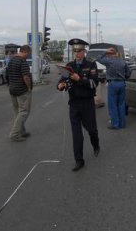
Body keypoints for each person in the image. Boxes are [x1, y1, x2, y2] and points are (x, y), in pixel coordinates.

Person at [57, 38, 100, 172]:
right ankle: (79, 160)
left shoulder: (91, 65)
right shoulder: (69, 65)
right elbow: (62, 80)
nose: (77, 53)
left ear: (84, 51)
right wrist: (60, 85)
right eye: (74, 50)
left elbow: (94, 83)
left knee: (91, 129)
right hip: (74, 103)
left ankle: (95, 143)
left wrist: (79, 79)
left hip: (87, 103)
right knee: (76, 134)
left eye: (79, 50)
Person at [97, 47, 130, 129]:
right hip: (122, 83)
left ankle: (115, 124)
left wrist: (105, 51)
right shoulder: (123, 61)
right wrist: (123, 78)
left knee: (113, 105)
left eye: (108, 54)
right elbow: (129, 73)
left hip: (113, 84)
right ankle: (122, 124)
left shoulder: (109, 61)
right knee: (121, 104)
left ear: (109, 54)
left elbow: (98, 58)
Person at [6, 44, 32, 142]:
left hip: (12, 89)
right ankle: (15, 134)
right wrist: (29, 88)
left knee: (17, 112)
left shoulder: (11, 60)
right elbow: (26, 77)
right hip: (22, 90)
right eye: (28, 53)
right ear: (25, 51)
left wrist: (10, 84)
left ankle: (22, 131)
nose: (28, 55)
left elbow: (7, 74)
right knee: (24, 112)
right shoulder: (22, 61)